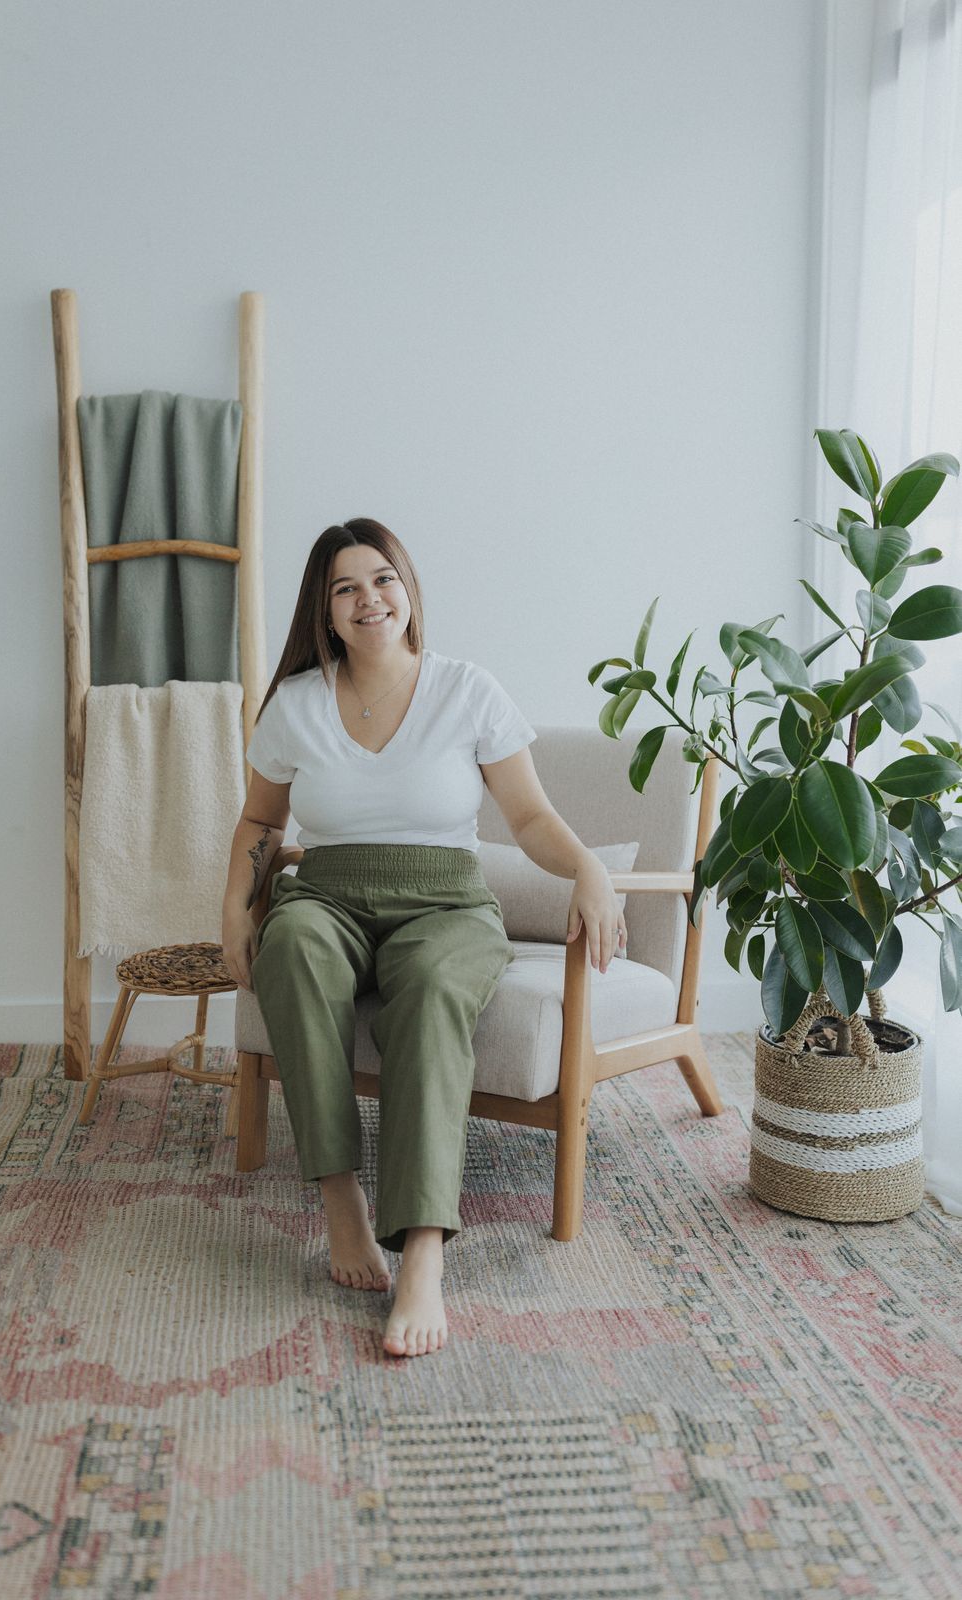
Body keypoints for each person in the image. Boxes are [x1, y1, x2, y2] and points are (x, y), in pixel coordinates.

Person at [221, 519, 625, 1359]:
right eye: (345, 588)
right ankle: (342, 1209)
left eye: (383, 580)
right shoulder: (296, 701)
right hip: (325, 895)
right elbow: (262, 818)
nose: (368, 599)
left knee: (437, 990)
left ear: (407, 591)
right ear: (325, 611)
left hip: (445, 904)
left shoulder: (466, 689)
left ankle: (425, 1256)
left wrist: (587, 866)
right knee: (290, 948)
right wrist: (233, 908)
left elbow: (528, 817)